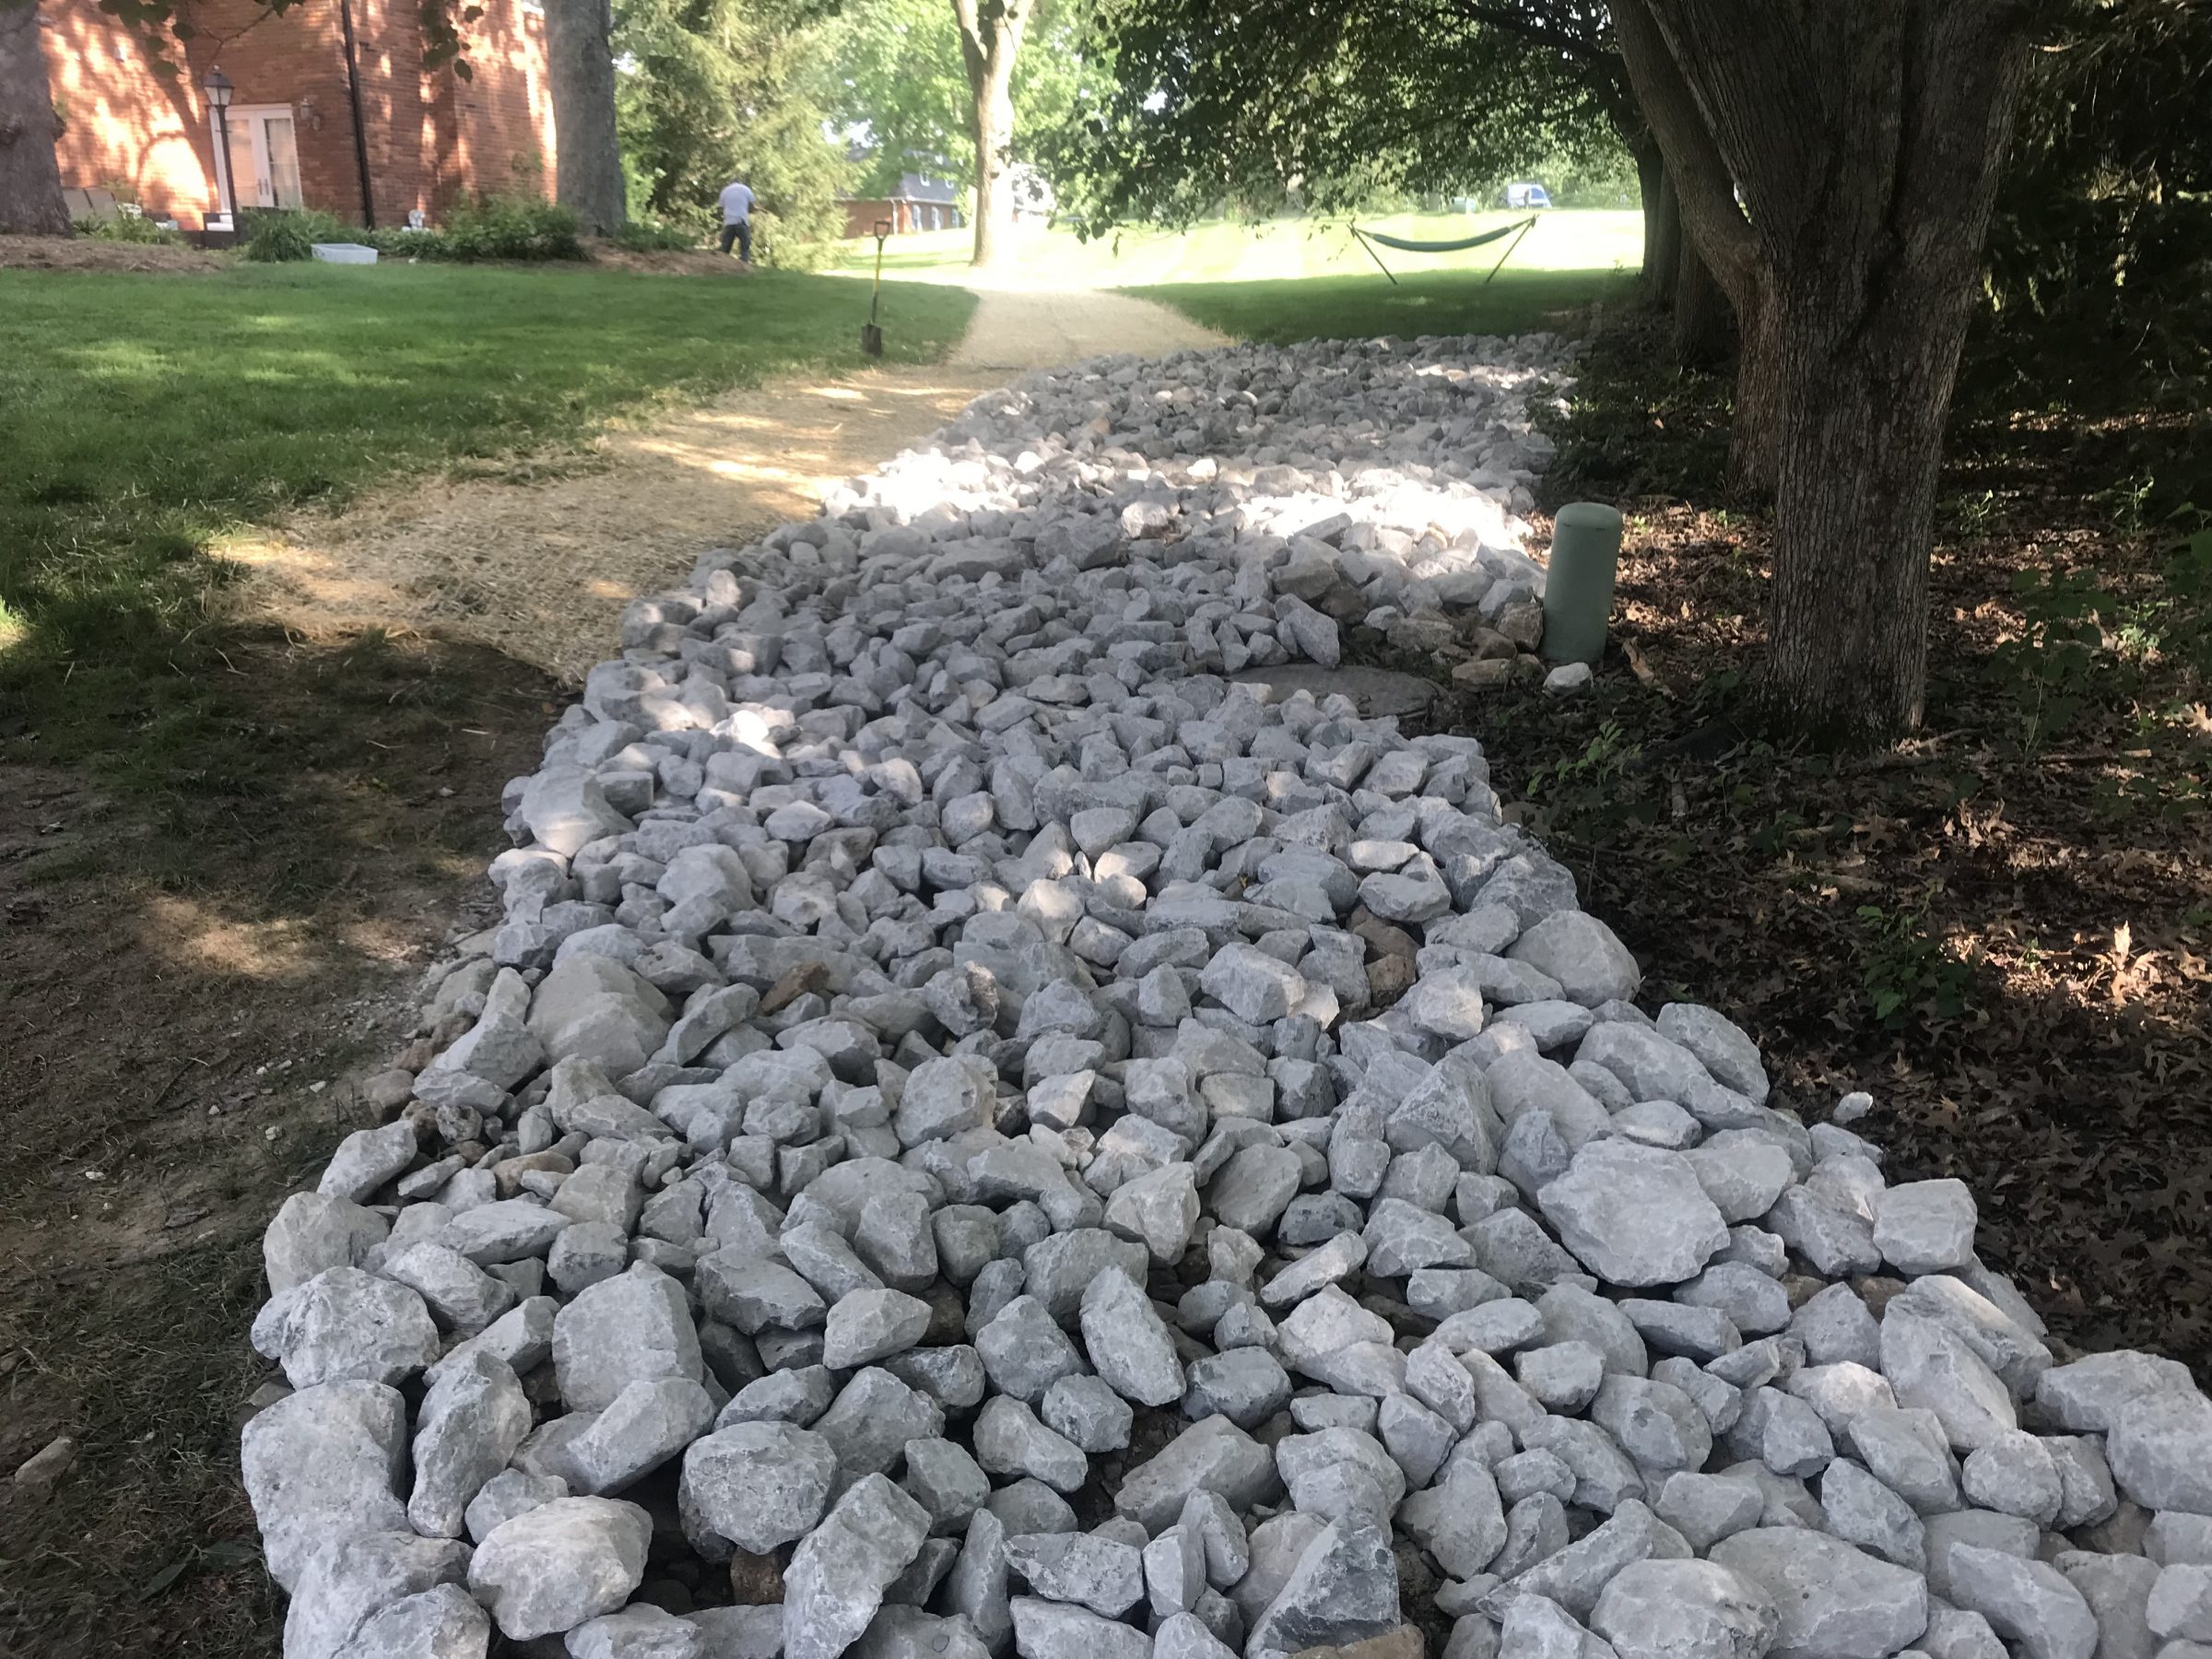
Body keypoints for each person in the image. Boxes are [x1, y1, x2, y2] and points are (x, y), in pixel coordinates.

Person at [718, 178, 755, 263]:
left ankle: (721, 266)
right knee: (745, 247)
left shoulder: (725, 191)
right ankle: (744, 266)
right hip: (741, 220)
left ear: (731, 183)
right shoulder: (746, 189)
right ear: (740, 182)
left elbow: (721, 207)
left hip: (729, 222)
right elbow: (752, 206)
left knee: (725, 247)